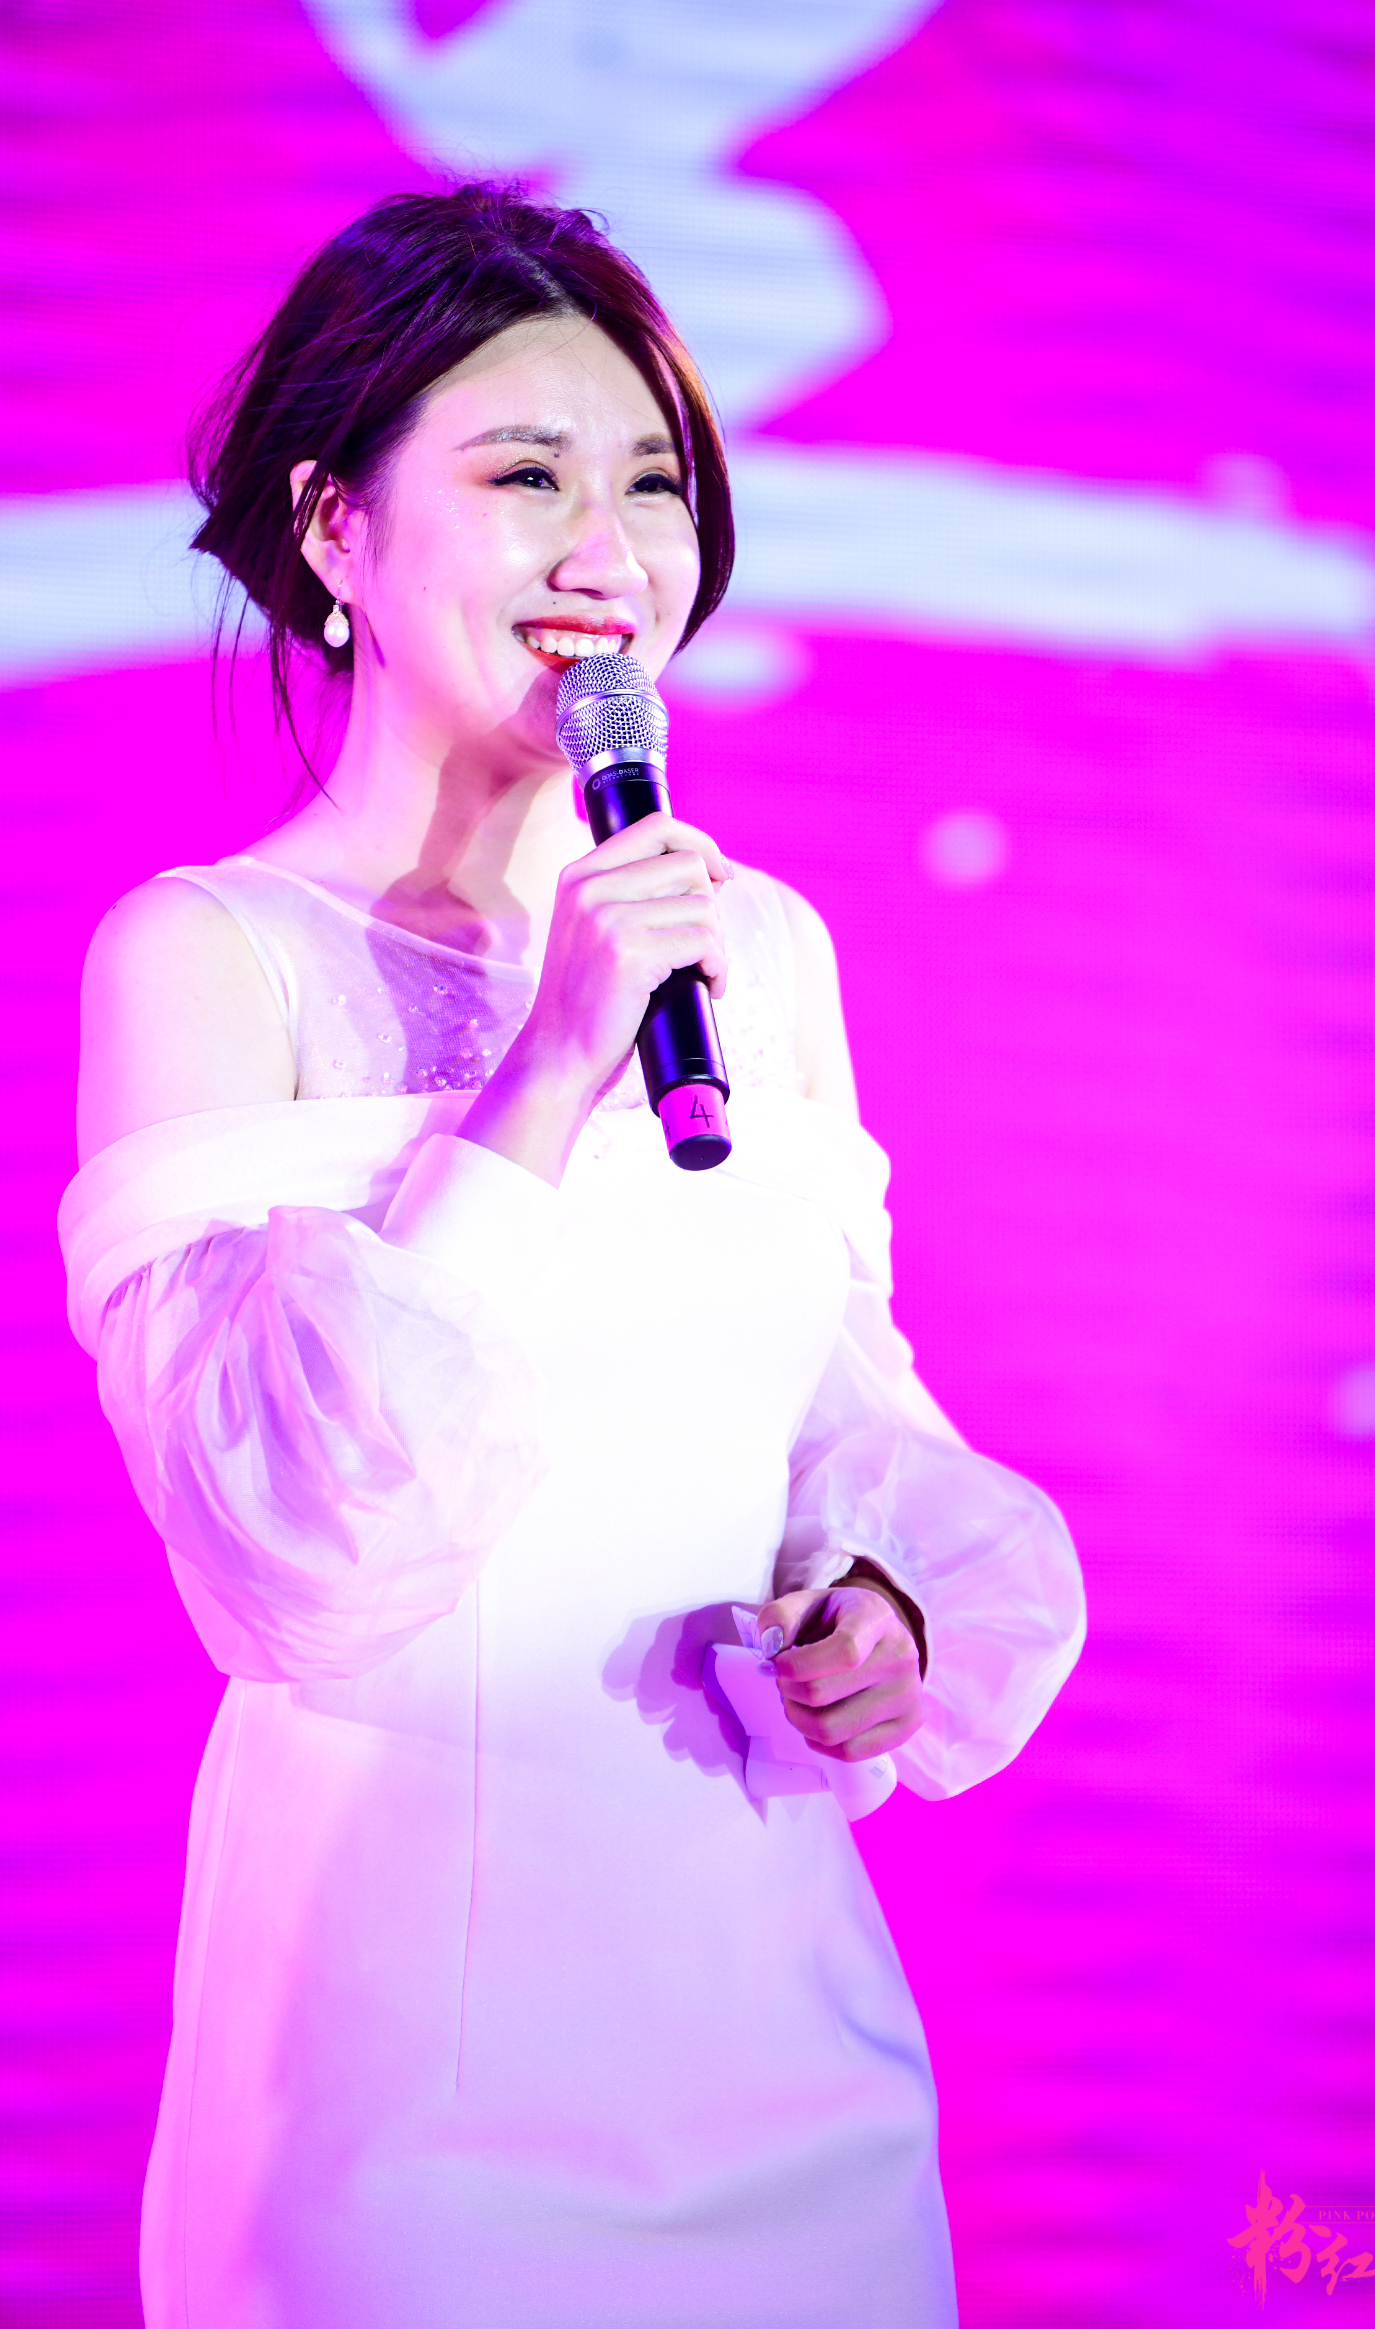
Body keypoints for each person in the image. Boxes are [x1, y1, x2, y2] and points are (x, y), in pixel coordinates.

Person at [61, 182, 1085, 2329]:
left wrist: (880, 1604)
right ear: (335, 530)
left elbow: (844, 1422)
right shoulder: (205, 956)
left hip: (782, 2040)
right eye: (527, 476)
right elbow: (287, 1552)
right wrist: (541, 1072)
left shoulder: (761, 949)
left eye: (655, 484)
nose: (610, 552)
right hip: (407, 2102)